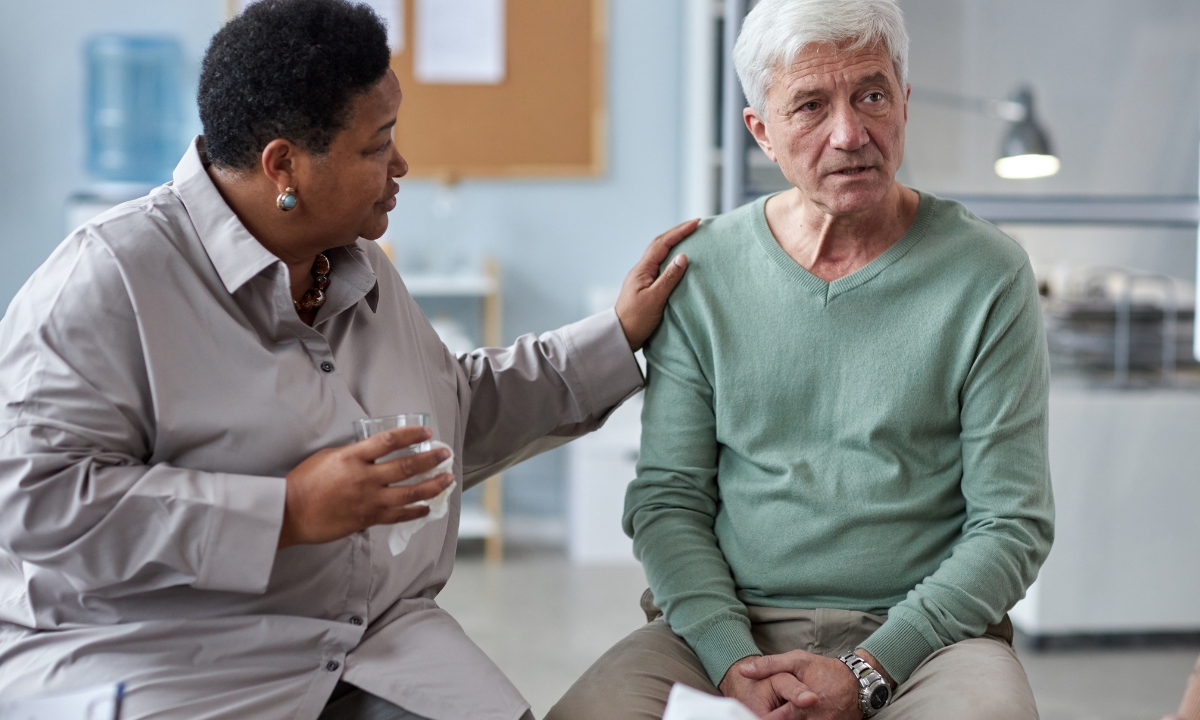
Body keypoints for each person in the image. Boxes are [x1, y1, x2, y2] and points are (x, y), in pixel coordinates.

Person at [0, 1, 694, 719]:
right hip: (173, 656)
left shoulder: (354, 264)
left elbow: (446, 416)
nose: (401, 165)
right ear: (284, 165)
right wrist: (286, 511)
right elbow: (37, 499)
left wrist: (618, 334)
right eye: (376, 146)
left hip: (371, 645)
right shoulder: (110, 278)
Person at [547, 0, 1054, 718]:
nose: (850, 134)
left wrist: (872, 667)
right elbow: (669, 500)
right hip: (725, 625)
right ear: (763, 133)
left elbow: (1011, 523)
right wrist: (731, 658)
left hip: (926, 639)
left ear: (904, 103)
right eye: (810, 106)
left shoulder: (989, 273)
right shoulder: (705, 272)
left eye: (872, 95)